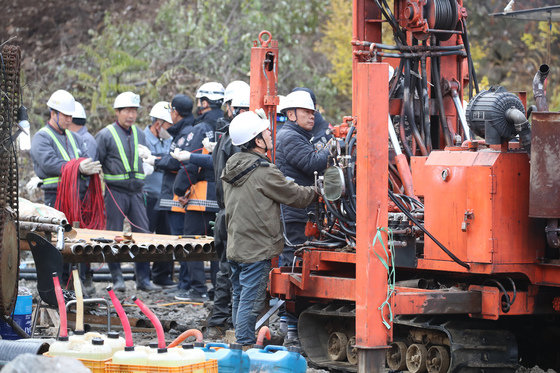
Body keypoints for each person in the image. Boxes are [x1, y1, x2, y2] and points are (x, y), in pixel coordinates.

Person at [221, 110, 317, 347]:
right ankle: (244, 345)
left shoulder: (233, 166)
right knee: (250, 300)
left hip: (236, 244)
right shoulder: (263, 171)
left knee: (239, 295)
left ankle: (239, 341)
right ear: (257, 140)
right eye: (265, 131)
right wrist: (319, 190)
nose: (271, 133)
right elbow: (296, 196)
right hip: (256, 248)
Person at [173, 84, 250, 336]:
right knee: (231, 268)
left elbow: (216, 164)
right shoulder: (240, 138)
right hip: (232, 210)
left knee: (224, 265)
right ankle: (228, 323)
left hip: (222, 207)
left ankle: (220, 319)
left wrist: (188, 162)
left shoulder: (226, 135)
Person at [275, 90, 330, 344]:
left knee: (299, 262)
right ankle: (290, 327)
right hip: (294, 212)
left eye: (312, 112)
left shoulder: (297, 135)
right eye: (307, 112)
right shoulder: (289, 137)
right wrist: (334, 145)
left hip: (301, 210)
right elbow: (311, 164)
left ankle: (294, 323)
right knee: (294, 264)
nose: (312, 116)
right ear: (291, 114)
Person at [95, 91, 159, 292]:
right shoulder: (106, 134)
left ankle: (143, 279)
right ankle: (117, 278)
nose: (131, 115)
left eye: (134, 111)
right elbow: (97, 161)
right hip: (115, 191)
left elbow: (145, 158)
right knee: (113, 233)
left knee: (143, 233)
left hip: (137, 192)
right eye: (127, 111)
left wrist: (148, 163)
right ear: (118, 112)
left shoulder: (140, 134)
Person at [153, 93, 208, 299]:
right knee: (182, 241)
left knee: (185, 241)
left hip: (183, 194)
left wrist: (154, 160)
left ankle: (187, 284)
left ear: (175, 112)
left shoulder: (188, 132)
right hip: (180, 193)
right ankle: (185, 283)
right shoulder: (187, 130)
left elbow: (180, 162)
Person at [31, 90, 100, 207]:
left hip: (79, 195)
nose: (69, 119)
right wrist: (78, 167)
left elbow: (86, 159)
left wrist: (88, 167)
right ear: (53, 114)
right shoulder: (42, 137)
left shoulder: (76, 137)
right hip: (55, 196)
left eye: (70, 116)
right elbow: (49, 164)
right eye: (65, 115)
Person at [139, 101, 175, 287]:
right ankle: (143, 278)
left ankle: (162, 275)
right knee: (145, 236)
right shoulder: (142, 139)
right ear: (158, 124)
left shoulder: (169, 139)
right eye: (168, 125)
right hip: (148, 195)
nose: (171, 129)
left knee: (166, 236)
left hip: (167, 196)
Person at [68, 100, 98, 295]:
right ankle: (80, 279)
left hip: (80, 198)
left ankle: (82, 279)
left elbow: (85, 170)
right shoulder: (80, 138)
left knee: (79, 239)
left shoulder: (83, 139)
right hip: (75, 195)